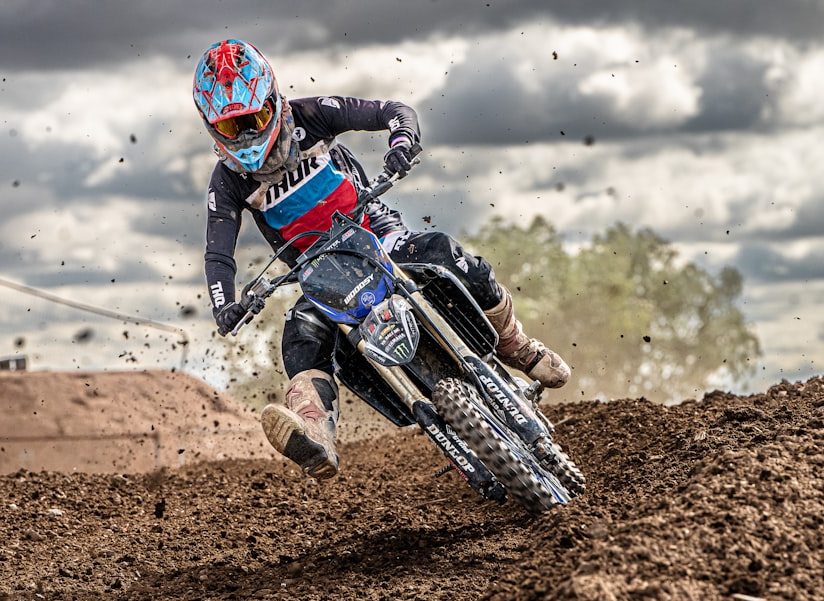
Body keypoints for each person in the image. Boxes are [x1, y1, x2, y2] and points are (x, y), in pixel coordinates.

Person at [193, 39, 570, 480]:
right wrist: (224, 304)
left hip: (377, 233)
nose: (248, 135)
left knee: (443, 252)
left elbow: (392, 110)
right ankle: (315, 433)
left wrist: (402, 140)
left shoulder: (312, 114)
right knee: (300, 336)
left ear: (273, 99)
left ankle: (512, 343)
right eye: (232, 127)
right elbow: (218, 252)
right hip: (320, 270)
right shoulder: (227, 182)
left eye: (254, 119)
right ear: (212, 128)